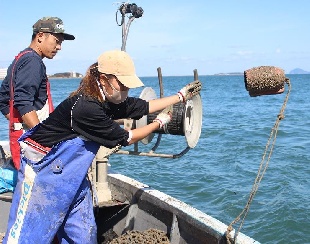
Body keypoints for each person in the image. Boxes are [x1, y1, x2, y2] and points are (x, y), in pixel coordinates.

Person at [3, 50, 202, 243]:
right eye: (122, 84)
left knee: (82, 234)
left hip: (73, 175)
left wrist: (180, 96)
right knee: (28, 236)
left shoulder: (107, 99)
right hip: (44, 174)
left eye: (128, 85)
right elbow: (128, 137)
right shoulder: (85, 107)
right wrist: (159, 123)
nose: (126, 90)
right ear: (105, 79)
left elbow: (144, 107)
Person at [0, 17, 75, 169]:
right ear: (40, 36)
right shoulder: (33, 61)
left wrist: (18, 122)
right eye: (57, 41)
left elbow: (3, 98)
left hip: (21, 139)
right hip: (32, 146)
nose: (59, 47)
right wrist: (41, 137)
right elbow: (23, 102)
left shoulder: (21, 58)